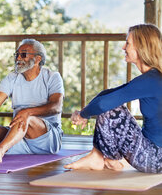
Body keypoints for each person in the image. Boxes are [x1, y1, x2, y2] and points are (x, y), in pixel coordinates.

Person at [65, 24, 162, 173]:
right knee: (110, 101)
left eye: (128, 43)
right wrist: (85, 112)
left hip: (155, 159)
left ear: (141, 47)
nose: (123, 47)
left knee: (112, 108)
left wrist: (82, 114)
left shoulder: (150, 80)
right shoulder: (153, 78)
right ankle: (99, 157)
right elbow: (108, 93)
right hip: (155, 155)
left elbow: (104, 103)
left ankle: (107, 160)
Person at [0, 39, 64, 163]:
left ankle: (0, 150)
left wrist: (28, 112)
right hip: (19, 138)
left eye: (23, 54)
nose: (18, 58)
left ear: (37, 59)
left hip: (47, 140)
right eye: (17, 54)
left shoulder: (52, 77)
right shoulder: (12, 77)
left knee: (26, 116)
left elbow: (56, 107)